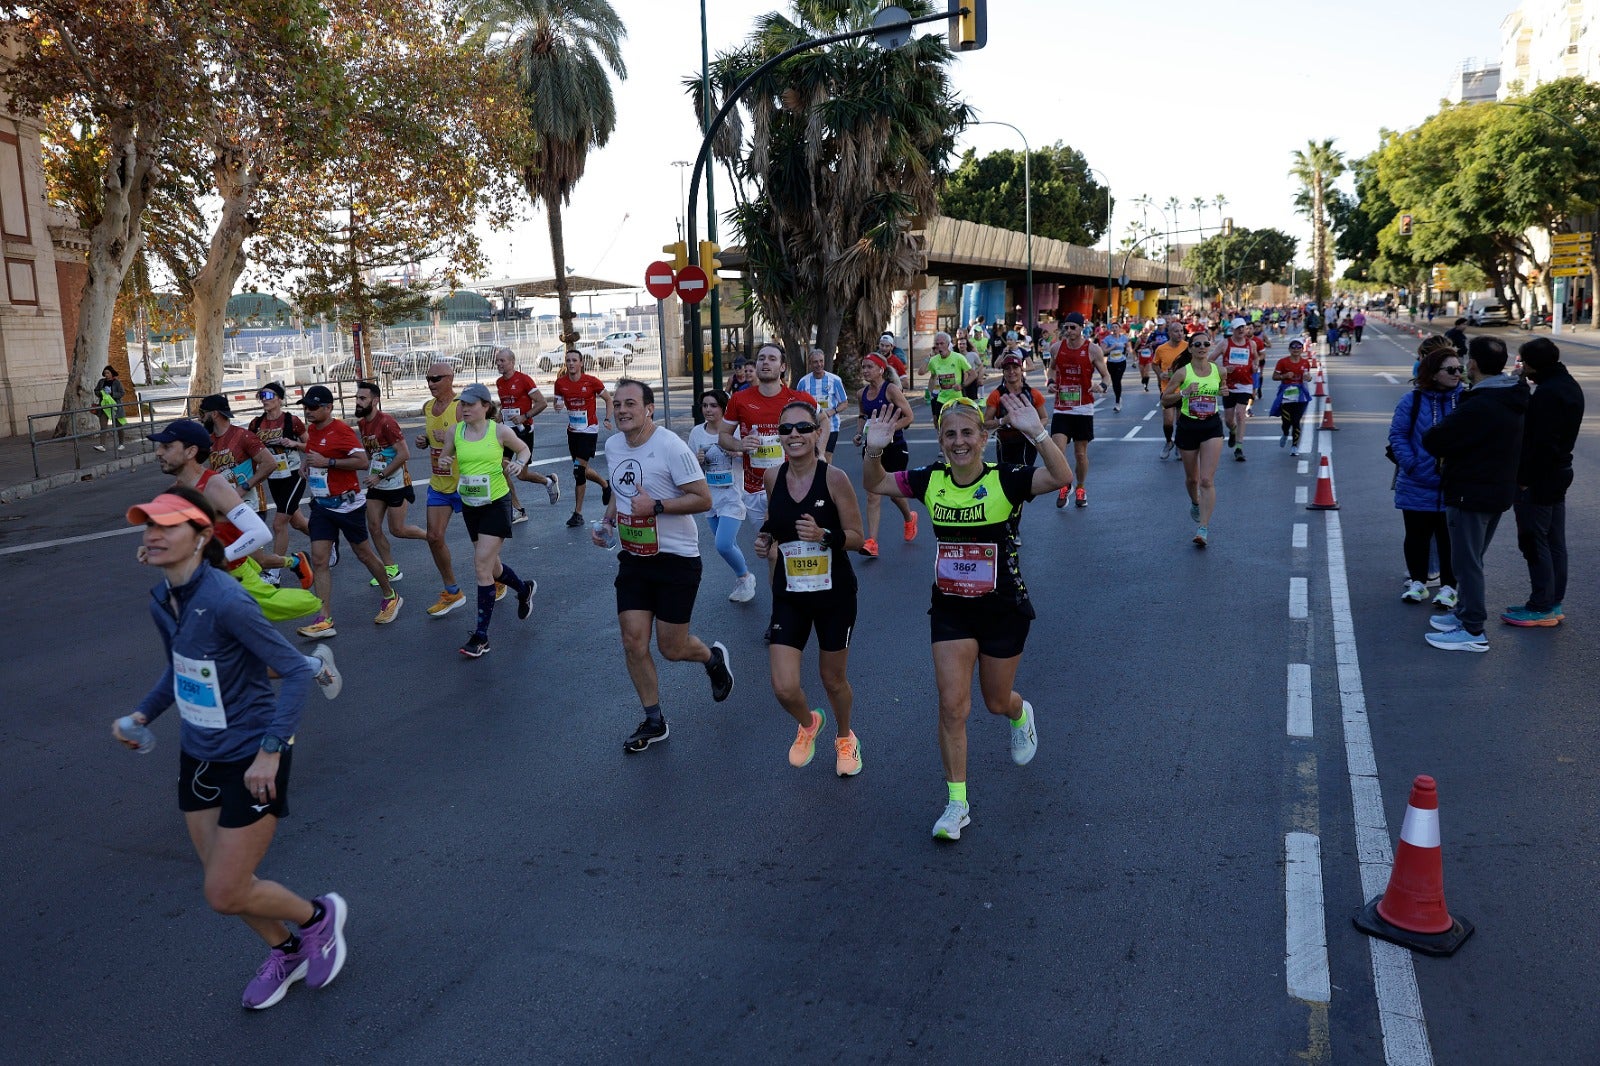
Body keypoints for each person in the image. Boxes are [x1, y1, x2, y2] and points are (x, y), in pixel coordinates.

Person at [114, 486, 348, 1010]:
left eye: (166, 526)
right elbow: (181, 668)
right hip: (197, 756)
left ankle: (318, 919)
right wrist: (141, 715)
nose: (152, 534)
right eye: (147, 525)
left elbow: (291, 670)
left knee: (223, 891)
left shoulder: (226, 599)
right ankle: (287, 950)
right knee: (227, 882)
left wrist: (271, 750)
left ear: (200, 537)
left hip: (252, 757)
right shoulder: (162, 599)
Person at [860, 394, 1069, 841]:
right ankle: (957, 804)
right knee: (953, 705)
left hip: (1003, 609)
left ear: (982, 438)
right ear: (940, 441)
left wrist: (1037, 432)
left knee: (996, 701)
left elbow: (1060, 476)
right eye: (950, 434)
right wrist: (874, 447)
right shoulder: (929, 479)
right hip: (952, 610)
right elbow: (875, 484)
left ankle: (1019, 713)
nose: (959, 442)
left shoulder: (1007, 479)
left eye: (967, 433)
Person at [592, 380, 734, 752]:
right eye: (618, 404)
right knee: (632, 641)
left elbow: (702, 499)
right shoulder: (612, 445)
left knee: (671, 648)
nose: (622, 410)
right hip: (635, 558)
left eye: (631, 404)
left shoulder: (670, 445)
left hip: (676, 559)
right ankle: (654, 720)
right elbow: (623, 493)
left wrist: (655, 506)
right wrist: (608, 522)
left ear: (649, 409)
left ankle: (711, 657)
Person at [751, 400, 865, 776]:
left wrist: (824, 535)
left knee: (833, 679)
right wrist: (765, 538)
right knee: (784, 688)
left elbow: (857, 538)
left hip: (834, 595)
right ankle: (809, 723)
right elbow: (774, 519)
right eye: (786, 430)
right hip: (790, 593)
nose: (794, 435)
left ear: (818, 433)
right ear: (779, 436)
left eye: (803, 428)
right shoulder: (772, 477)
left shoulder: (834, 479)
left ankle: (846, 737)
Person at [147, 419, 325, 622]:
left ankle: (323, 616)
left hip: (234, 577)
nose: (158, 452)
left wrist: (217, 557)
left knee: (301, 606)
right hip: (207, 581)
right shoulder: (176, 490)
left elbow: (260, 534)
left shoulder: (213, 486)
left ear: (190, 452)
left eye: (167, 446)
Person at [1420, 336, 1529, 651]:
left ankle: (1472, 630)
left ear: (1473, 364)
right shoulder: (1514, 395)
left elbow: (1436, 440)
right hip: (1497, 489)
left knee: (1467, 563)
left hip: (1471, 491)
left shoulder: (1481, 403)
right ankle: (1464, 614)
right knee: (1471, 558)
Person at [293, 385, 403, 638]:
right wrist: (307, 467)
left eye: (313, 407)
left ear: (328, 407)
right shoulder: (311, 430)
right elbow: (313, 456)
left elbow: (363, 462)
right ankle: (324, 619)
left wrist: (328, 462)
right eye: (306, 407)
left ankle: (390, 596)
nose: (308, 411)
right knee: (319, 559)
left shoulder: (341, 431)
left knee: (364, 554)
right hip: (322, 505)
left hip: (347, 505)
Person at [437, 382, 536, 657]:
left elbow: (523, 449)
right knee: (492, 567)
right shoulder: (455, 431)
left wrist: (519, 462)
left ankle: (481, 637)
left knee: (481, 566)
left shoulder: (499, 431)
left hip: (496, 503)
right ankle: (524, 587)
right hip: (471, 505)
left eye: (470, 404)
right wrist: (445, 461)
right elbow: (447, 455)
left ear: (485, 407)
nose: (464, 409)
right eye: (462, 404)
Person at [1504, 337, 1584, 626]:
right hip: (1559, 473)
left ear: (1533, 363)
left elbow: (1540, 443)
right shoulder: (1565, 384)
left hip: (1540, 478)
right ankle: (1551, 601)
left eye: (1523, 362)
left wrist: (1524, 481)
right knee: (1553, 541)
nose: (1521, 367)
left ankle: (1541, 606)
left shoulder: (1549, 394)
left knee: (1534, 540)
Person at [1389, 342, 1464, 608]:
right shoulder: (1413, 399)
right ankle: (1418, 582)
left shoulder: (1466, 399)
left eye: (1460, 368)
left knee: (1449, 540)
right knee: (1417, 535)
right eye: (1451, 369)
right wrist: (1412, 465)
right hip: (1416, 482)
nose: (1458, 374)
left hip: (1453, 485)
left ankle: (1448, 588)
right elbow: (1398, 435)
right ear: (1433, 373)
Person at [720, 344, 820, 529]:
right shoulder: (739, 399)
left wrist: (819, 454)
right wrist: (739, 445)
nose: (765, 362)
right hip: (755, 489)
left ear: (782, 367)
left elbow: (824, 421)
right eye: (761, 358)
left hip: (793, 483)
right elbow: (723, 437)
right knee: (767, 547)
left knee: (788, 543)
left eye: (772, 359)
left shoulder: (799, 398)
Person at [355, 379, 425, 589]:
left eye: (362, 398)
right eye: (357, 397)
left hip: (395, 483)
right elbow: (372, 453)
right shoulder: (362, 423)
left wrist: (381, 474)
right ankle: (390, 568)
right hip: (377, 483)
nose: (357, 402)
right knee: (374, 527)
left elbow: (404, 453)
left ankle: (431, 537)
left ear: (375, 400)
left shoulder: (387, 422)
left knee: (397, 529)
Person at [687, 389, 756, 603]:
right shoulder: (696, 433)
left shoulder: (733, 433)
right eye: (705, 405)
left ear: (723, 409)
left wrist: (737, 453)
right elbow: (689, 469)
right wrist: (697, 461)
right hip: (709, 498)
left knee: (723, 544)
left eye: (713, 406)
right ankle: (744, 579)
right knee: (727, 543)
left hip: (733, 496)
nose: (708, 409)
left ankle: (745, 576)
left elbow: (752, 460)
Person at [414, 361, 469, 618]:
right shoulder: (427, 407)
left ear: (450, 378)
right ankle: (452, 590)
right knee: (434, 537)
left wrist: (451, 440)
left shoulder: (460, 408)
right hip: (439, 483)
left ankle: (498, 577)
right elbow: (431, 439)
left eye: (436, 378)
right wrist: (425, 441)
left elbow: (475, 441)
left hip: (466, 483)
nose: (431, 383)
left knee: (482, 542)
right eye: (428, 378)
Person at [1161, 331, 1223, 546]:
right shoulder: (1182, 373)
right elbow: (1165, 400)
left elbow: (1223, 389)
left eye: (1206, 343)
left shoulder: (1218, 370)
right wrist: (1185, 392)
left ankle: (1203, 528)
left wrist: (1224, 391)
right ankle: (1195, 502)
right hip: (1188, 426)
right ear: (1190, 348)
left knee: (1206, 480)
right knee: (1192, 479)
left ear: (1210, 346)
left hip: (1212, 425)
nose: (1202, 347)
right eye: (1197, 344)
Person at [851, 352, 915, 557]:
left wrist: (889, 429)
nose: (865, 370)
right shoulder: (862, 394)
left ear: (881, 369)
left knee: (894, 493)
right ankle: (872, 542)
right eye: (863, 367)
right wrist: (860, 434)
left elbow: (909, 416)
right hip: (872, 448)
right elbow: (863, 415)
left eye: (869, 366)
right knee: (872, 493)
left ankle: (909, 517)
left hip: (895, 446)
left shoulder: (891, 390)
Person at [1045, 312, 1110, 508]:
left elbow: (1106, 377)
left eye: (1073, 327)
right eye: (1066, 327)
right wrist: (1050, 382)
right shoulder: (1057, 347)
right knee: (1058, 451)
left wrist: (1102, 386)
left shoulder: (1093, 350)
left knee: (1080, 454)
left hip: (1083, 408)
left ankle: (1081, 487)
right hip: (1062, 407)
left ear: (1082, 328)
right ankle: (1065, 485)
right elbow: (1052, 369)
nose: (1069, 331)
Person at [493, 346, 561, 522]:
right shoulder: (500, 382)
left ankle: (548, 481)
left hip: (524, 431)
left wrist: (525, 416)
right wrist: (500, 415)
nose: (498, 364)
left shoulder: (524, 380)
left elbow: (542, 402)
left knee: (522, 474)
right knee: (502, 468)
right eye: (497, 360)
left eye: (502, 360)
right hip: (506, 430)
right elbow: (506, 404)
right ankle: (518, 510)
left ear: (512, 362)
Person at [248, 383, 311, 567]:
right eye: (262, 396)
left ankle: (274, 570)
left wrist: (294, 443)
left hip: (293, 476)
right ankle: (326, 540)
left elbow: (310, 446)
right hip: (274, 478)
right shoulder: (256, 423)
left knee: (278, 524)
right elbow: (250, 451)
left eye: (269, 395)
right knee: (298, 522)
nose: (264, 400)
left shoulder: (292, 421)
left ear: (280, 399)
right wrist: (253, 477)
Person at [551, 349, 614, 528]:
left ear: (581, 363)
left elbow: (609, 400)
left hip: (589, 430)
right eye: (568, 360)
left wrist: (608, 419)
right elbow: (557, 403)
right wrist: (557, 406)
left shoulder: (591, 381)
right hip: (573, 431)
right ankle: (605, 484)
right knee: (581, 469)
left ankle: (578, 514)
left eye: (574, 360)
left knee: (579, 471)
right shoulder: (560, 383)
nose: (571, 363)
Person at [198, 394, 275, 518]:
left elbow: (270, 463)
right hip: (227, 507)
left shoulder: (243, 436)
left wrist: (244, 487)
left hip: (252, 507)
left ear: (214, 414)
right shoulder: (209, 441)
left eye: (202, 413)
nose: (199, 419)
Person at [983, 353, 1048, 465]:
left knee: (1025, 475)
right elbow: (985, 423)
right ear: (1003, 372)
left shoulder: (1033, 394)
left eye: (1015, 367)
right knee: (1006, 478)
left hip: (1027, 442)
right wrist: (1003, 420)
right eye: (1007, 369)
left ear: (1021, 370)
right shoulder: (996, 395)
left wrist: (1034, 429)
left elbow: (1045, 418)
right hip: (1005, 443)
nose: (1011, 371)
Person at [797, 347, 850, 462]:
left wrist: (832, 411)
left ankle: (826, 479)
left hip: (832, 426)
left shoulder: (835, 380)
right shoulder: (803, 382)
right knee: (812, 457)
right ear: (810, 363)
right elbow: (798, 405)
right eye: (815, 362)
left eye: (821, 361)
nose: (819, 364)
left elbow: (844, 403)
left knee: (826, 456)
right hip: (811, 427)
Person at [1219, 318, 1258, 461]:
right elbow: (1210, 360)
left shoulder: (1251, 344)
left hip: (1245, 384)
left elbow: (1255, 358)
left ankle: (1239, 448)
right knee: (1229, 420)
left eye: (1243, 327)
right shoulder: (1225, 344)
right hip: (1228, 386)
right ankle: (1233, 431)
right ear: (1232, 330)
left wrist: (1255, 366)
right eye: (1238, 328)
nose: (1241, 330)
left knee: (1241, 414)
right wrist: (1223, 369)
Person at [922, 330, 978, 426]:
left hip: (956, 397)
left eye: (942, 343)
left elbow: (973, 374)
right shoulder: (934, 360)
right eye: (937, 344)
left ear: (948, 344)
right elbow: (928, 375)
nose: (939, 346)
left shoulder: (958, 357)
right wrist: (929, 394)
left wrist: (961, 386)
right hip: (941, 397)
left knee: (957, 423)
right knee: (937, 422)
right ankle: (942, 439)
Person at [1270, 338, 1313, 457]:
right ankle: (1285, 433)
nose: (1296, 349)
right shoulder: (1282, 362)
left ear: (1302, 349)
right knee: (1286, 421)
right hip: (1286, 394)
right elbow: (1274, 377)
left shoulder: (1305, 363)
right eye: (1293, 347)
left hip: (1300, 395)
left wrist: (1308, 378)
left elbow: (1308, 378)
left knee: (1296, 421)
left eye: (1298, 347)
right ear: (1289, 349)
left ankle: (1294, 446)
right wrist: (1284, 376)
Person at [92, 364, 127, 452]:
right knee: (103, 426)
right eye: (105, 373)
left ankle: (121, 443)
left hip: (115, 407)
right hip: (104, 407)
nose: (106, 375)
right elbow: (96, 391)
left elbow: (122, 393)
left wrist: (112, 393)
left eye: (108, 373)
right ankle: (102, 445)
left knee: (119, 425)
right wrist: (101, 392)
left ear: (112, 373)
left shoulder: (117, 382)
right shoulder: (101, 382)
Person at [1099, 321, 1129, 411]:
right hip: (1111, 362)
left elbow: (1128, 348)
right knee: (1114, 381)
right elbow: (1103, 351)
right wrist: (1113, 347)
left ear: (1120, 329)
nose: (1115, 329)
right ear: (1111, 329)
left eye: (1116, 327)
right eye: (1113, 327)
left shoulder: (1124, 338)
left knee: (1117, 380)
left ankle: (1117, 402)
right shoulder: (1107, 339)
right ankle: (1118, 397)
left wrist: (1128, 349)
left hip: (1121, 361)